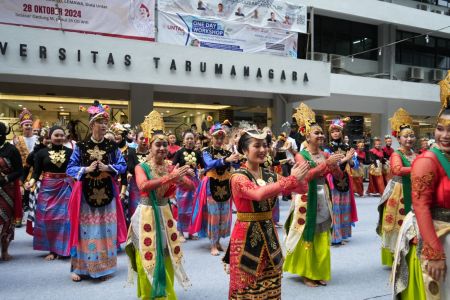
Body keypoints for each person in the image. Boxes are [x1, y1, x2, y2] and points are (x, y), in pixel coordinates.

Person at [224, 128, 309, 299]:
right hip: (246, 235)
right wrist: (291, 179)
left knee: (271, 284)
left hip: (269, 234)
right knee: (248, 286)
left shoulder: (270, 175)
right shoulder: (238, 177)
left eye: (265, 145)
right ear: (244, 150)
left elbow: (303, 188)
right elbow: (258, 194)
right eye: (257, 146)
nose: (263, 150)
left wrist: (300, 167)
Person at [392, 72, 450, 299]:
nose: (445, 135)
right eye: (441, 128)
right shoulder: (427, 160)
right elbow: (421, 207)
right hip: (437, 234)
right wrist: (435, 253)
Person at [125, 110, 192, 299]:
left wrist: (182, 178)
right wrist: (171, 177)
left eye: (165, 144)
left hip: (165, 212)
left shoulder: (171, 166)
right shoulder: (142, 167)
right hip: (146, 212)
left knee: (166, 252)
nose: (162, 148)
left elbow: (191, 187)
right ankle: (148, 294)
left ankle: (165, 294)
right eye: (158, 144)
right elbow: (143, 185)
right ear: (149, 146)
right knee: (147, 252)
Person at [284, 103, 344, 287]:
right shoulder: (301, 155)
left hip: (322, 195)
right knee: (306, 231)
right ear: (306, 135)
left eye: (321, 133)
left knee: (322, 231)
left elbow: (339, 177)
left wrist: (336, 165)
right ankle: (307, 273)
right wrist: (327, 165)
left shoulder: (326, 153)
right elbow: (306, 176)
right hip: (305, 197)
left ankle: (318, 271)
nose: (321, 135)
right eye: (316, 133)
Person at [66, 101, 127, 282]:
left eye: (105, 122)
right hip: (86, 193)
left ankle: (102, 267)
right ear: (92, 124)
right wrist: (86, 169)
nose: (103, 126)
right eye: (100, 122)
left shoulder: (112, 147)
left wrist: (107, 167)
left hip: (107, 191)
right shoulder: (81, 146)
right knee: (85, 229)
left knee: (105, 230)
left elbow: (123, 166)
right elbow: (70, 168)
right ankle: (79, 267)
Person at [190, 123, 240, 256]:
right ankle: (212, 244)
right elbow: (209, 164)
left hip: (225, 185)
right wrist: (226, 160)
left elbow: (236, 163)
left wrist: (237, 158)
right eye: (216, 137)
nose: (218, 140)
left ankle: (218, 241)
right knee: (214, 215)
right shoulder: (206, 151)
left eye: (221, 137)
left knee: (224, 214)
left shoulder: (227, 152)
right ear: (212, 138)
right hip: (211, 185)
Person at [25, 126, 73, 260]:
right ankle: (52, 250)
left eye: (61, 135)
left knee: (66, 219)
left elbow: (75, 170)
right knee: (48, 219)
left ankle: (65, 248)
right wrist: (31, 182)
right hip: (47, 189)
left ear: (65, 137)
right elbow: (36, 172)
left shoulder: (71, 152)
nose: (59, 138)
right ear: (50, 136)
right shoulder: (41, 153)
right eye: (56, 135)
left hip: (66, 187)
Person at [376, 108, 417, 267]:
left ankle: (410, 251)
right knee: (398, 223)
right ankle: (395, 256)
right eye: (405, 136)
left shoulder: (416, 154)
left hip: (414, 191)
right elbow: (396, 170)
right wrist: (418, 168)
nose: (409, 139)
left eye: (412, 135)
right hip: (399, 192)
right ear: (398, 139)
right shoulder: (396, 154)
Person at [326, 118, 358, 246]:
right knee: (334, 207)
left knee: (344, 207)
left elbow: (355, 165)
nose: (335, 133)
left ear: (341, 132)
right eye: (333, 131)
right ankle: (334, 236)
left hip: (345, 178)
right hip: (332, 179)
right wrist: (346, 159)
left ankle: (343, 234)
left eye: (337, 131)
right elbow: (330, 163)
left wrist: (350, 160)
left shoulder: (347, 147)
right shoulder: (327, 148)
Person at [172, 131, 204, 241]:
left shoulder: (197, 153)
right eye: (187, 139)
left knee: (193, 208)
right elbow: (173, 168)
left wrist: (201, 171)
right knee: (182, 208)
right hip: (182, 183)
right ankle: (180, 232)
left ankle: (190, 232)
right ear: (184, 141)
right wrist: (185, 170)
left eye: (191, 138)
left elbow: (204, 166)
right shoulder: (179, 152)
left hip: (194, 183)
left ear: (194, 140)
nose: (189, 141)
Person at [0, 122, 23, 261]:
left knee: (6, 220)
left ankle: (4, 250)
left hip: (7, 190)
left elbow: (20, 170)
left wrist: (7, 178)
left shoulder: (11, 150)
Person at [13, 108, 38, 222]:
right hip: (21, 172)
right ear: (21, 127)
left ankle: (33, 218)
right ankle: (20, 217)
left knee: (34, 196)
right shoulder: (16, 140)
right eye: (25, 125)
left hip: (36, 171)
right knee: (21, 196)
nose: (28, 126)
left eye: (29, 124)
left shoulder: (38, 139)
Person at [125, 130, 149, 225]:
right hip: (136, 186)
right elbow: (130, 168)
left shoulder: (152, 153)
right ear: (136, 140)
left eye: (146, 138)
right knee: (135, 209)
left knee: (148, 210)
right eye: (141, 138)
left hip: (149, 186)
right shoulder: (131, 152)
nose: (144, 141)